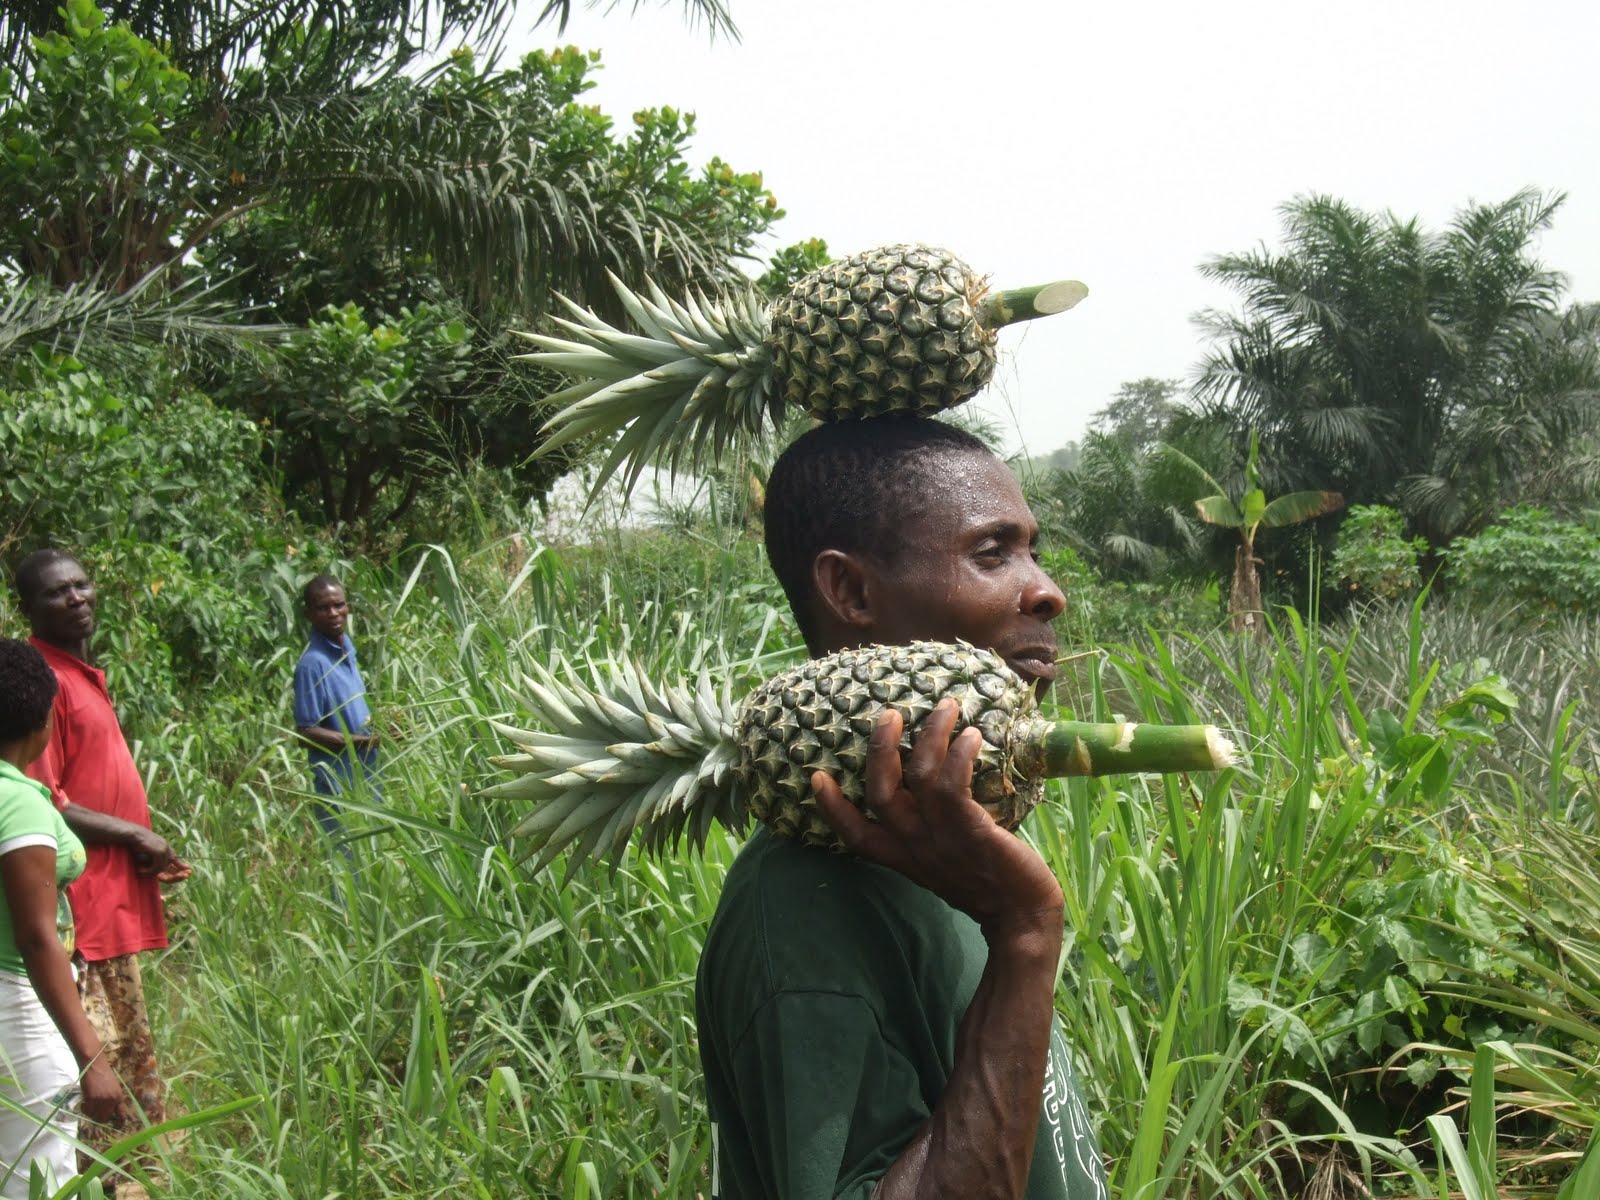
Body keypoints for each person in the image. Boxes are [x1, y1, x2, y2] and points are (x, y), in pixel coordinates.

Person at [695, 416, 1110, 1199]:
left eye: (1034, 550)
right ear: (851, 590)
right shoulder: (799, 909)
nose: (1048, 590)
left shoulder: (951, 843)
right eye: (992, 553)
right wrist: (1026, 937)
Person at [14, 550, 185, 1181]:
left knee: (128, 1055)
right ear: (28, 607)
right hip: (81, 914)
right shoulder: (43, 682)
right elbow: (46, 795)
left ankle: (135, 1180)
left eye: (82, 585)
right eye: (59, 593)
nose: (77, 598)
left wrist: (142, 843)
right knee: (97, 1060)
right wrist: (136, 834)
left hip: (113, 903)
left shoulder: (80, 673)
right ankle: (101, 1182)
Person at [0, 637, 122, 1196]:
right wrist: (90, 1055)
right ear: (43, 715)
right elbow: (36, 936)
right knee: (37, 1175)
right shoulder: (18, 801)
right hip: (20, 1010)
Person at [292, 575, 380, 849]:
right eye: (323, 608)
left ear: (348, 607)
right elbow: (305, 732)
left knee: (373, 856)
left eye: (338, 605)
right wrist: (361, 742)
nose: (333, 614)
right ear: (309, 614)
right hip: (338, 785)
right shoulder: (312, 664)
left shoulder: (347, 653)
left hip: (368, 777)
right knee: (347, 861)